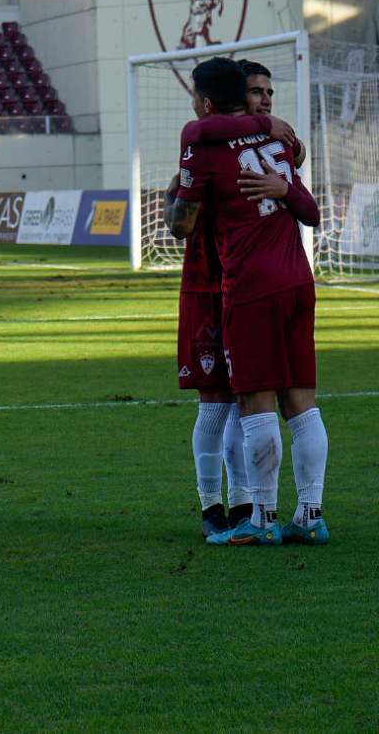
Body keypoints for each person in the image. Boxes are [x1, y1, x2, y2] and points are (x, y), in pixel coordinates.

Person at [167, 58, 327, 547]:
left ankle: (259, 518)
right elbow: (311, 210)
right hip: (297, 281)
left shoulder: (202, 144)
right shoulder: (280, 143)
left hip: (248, 287)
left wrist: (178, 192)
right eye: (258, 93)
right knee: (301, 405)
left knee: (251, 405)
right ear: (244, 96)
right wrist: (269, 138)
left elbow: (181, 225)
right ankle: (310, 514)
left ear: (206, 102)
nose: (267, 100)